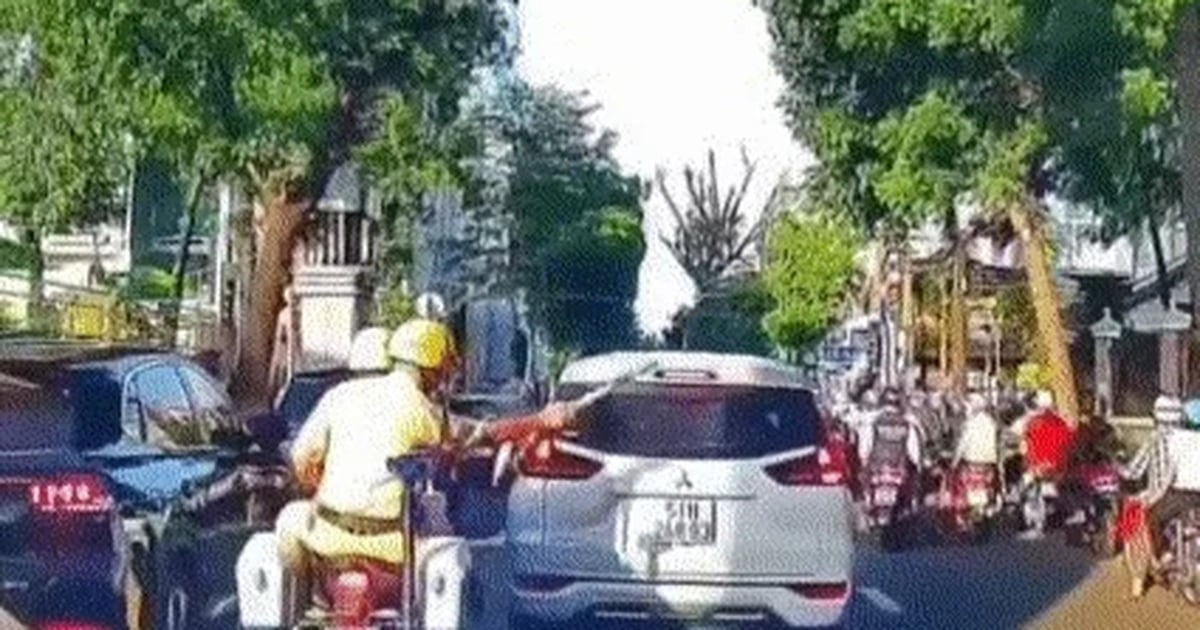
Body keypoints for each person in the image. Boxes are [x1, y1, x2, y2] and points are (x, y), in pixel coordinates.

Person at [275, 319, 580, 612]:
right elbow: (482, 434)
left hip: (327, 544)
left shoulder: (338, 396)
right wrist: (540, 420)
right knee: (451, 555)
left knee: (289, 518)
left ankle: (306, 606)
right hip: (392, 551)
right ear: (432, 371)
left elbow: (302, 459)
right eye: (443, 372)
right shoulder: (424, 412)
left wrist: (317, 491)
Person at [1118, 395, 1200, 598]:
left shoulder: (1160, 439)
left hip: (1173, 494)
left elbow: (1136, 471)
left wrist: (1119, 469)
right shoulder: (1192, 438)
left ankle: (1140, 581)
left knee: (1138, 518)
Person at [1010, 390, 1076, 539]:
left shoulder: (1032, 423)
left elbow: (1024, 445)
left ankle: (1028, 522)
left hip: (1037, 467)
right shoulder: (1060, 422)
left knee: (1023, 491)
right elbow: (1069, 443)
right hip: (1057, 467)